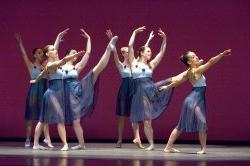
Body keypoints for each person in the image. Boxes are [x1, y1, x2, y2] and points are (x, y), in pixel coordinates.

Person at [160, 49, 232, 154]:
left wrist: (167, 87)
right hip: (194, 100)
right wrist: (221, 54)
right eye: (193, 57)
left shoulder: (189, 72)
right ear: (189, 62)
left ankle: (168, 147)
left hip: (194, 99)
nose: (196, 57)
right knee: (201, 123)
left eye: (195, 55)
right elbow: (210, 62)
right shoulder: (196, 71)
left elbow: (178, 81)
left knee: (181, 125)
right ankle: (202, 149)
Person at [58, 29, 118, 150]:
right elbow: (54, 54)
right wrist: (58, 40)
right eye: (73, 52)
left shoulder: (77, 67)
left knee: (96, 70)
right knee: (75, 121)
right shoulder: (59, 65)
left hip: (77, 90)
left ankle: (109, 48)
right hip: (64, 94)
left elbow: (88, 54)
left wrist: (89, 38)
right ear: (66, 55)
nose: (75, 54)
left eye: (76, 53)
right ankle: (80, 144)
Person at [31, 29, 85, 150]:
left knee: (43, 120)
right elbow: (63, 60)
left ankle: (35, 144)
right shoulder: (50, 64)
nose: (56, 51)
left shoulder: (51, 63)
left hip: (57, 93)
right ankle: (65, 144)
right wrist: (76, 55)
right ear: (48, 54)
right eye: (53, 50)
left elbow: (42, 74)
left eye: (55, 50)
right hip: (52, 94)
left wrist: (36, 80)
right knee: (60, 117)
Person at [106, 29, 154, 148]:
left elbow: (141, 52)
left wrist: (148, 39)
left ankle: (137, 138)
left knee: (135, 113)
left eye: (129, 52)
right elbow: (115, 54)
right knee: (122, 116)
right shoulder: (121, 65)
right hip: (124, 90)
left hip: (135, 89)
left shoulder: (136, 62)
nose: (129, 53)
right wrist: (113, 42)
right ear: (123, 54)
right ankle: (120, 139)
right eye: (126, 52)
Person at [128, 26, 174, 150]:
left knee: (148, 120)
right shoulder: (133, 63)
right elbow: (130, 46)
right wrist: (134, 33)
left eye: (150, 51)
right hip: (137, 92)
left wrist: (165, 39)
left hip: (149, 91)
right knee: (137, 119)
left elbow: (162, 52)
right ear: (142, 52)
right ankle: (138, 138)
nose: (150, 53)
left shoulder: (151, 64)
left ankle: (151, 144)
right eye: (148, 51)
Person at [15, 33, 53, 148]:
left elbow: (51, 57)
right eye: (39, 53)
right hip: (33, 93)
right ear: (35, 55)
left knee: (44, 117)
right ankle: (28, 138)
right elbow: (24, 55)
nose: (41, 54)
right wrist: (20, 42)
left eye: (42, 53)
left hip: (43, 92)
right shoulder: (32, 66)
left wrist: (56, 45)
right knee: (31, 117)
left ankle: (46, 139)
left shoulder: (45, 66)